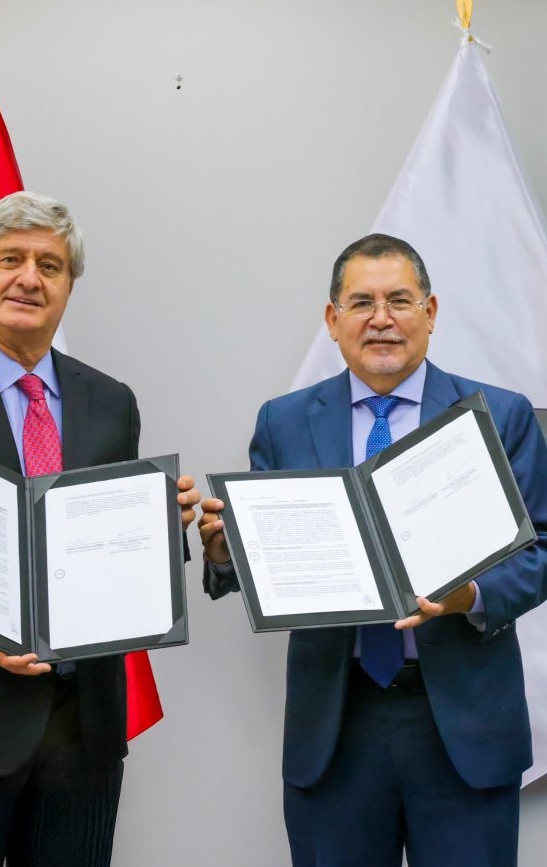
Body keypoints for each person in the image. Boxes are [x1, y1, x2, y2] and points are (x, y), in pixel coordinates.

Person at [199, 233, 547, 867]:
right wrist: (227, 552)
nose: (381, 318)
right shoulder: (283, 421)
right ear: (333, 320)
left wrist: (470, 595)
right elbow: (264, 562)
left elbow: (541, 550)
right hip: (337, 728)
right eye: (361, 302)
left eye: (400, 300)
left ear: (430, 313)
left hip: (464, 725)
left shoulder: (499, 415)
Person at [0, 191, 201, 866]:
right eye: (11, 259)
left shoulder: (109, 401)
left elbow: (113, 555)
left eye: (50, 266)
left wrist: (164, 525)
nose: (30, 278)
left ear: (69, 286)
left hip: (83, 734)